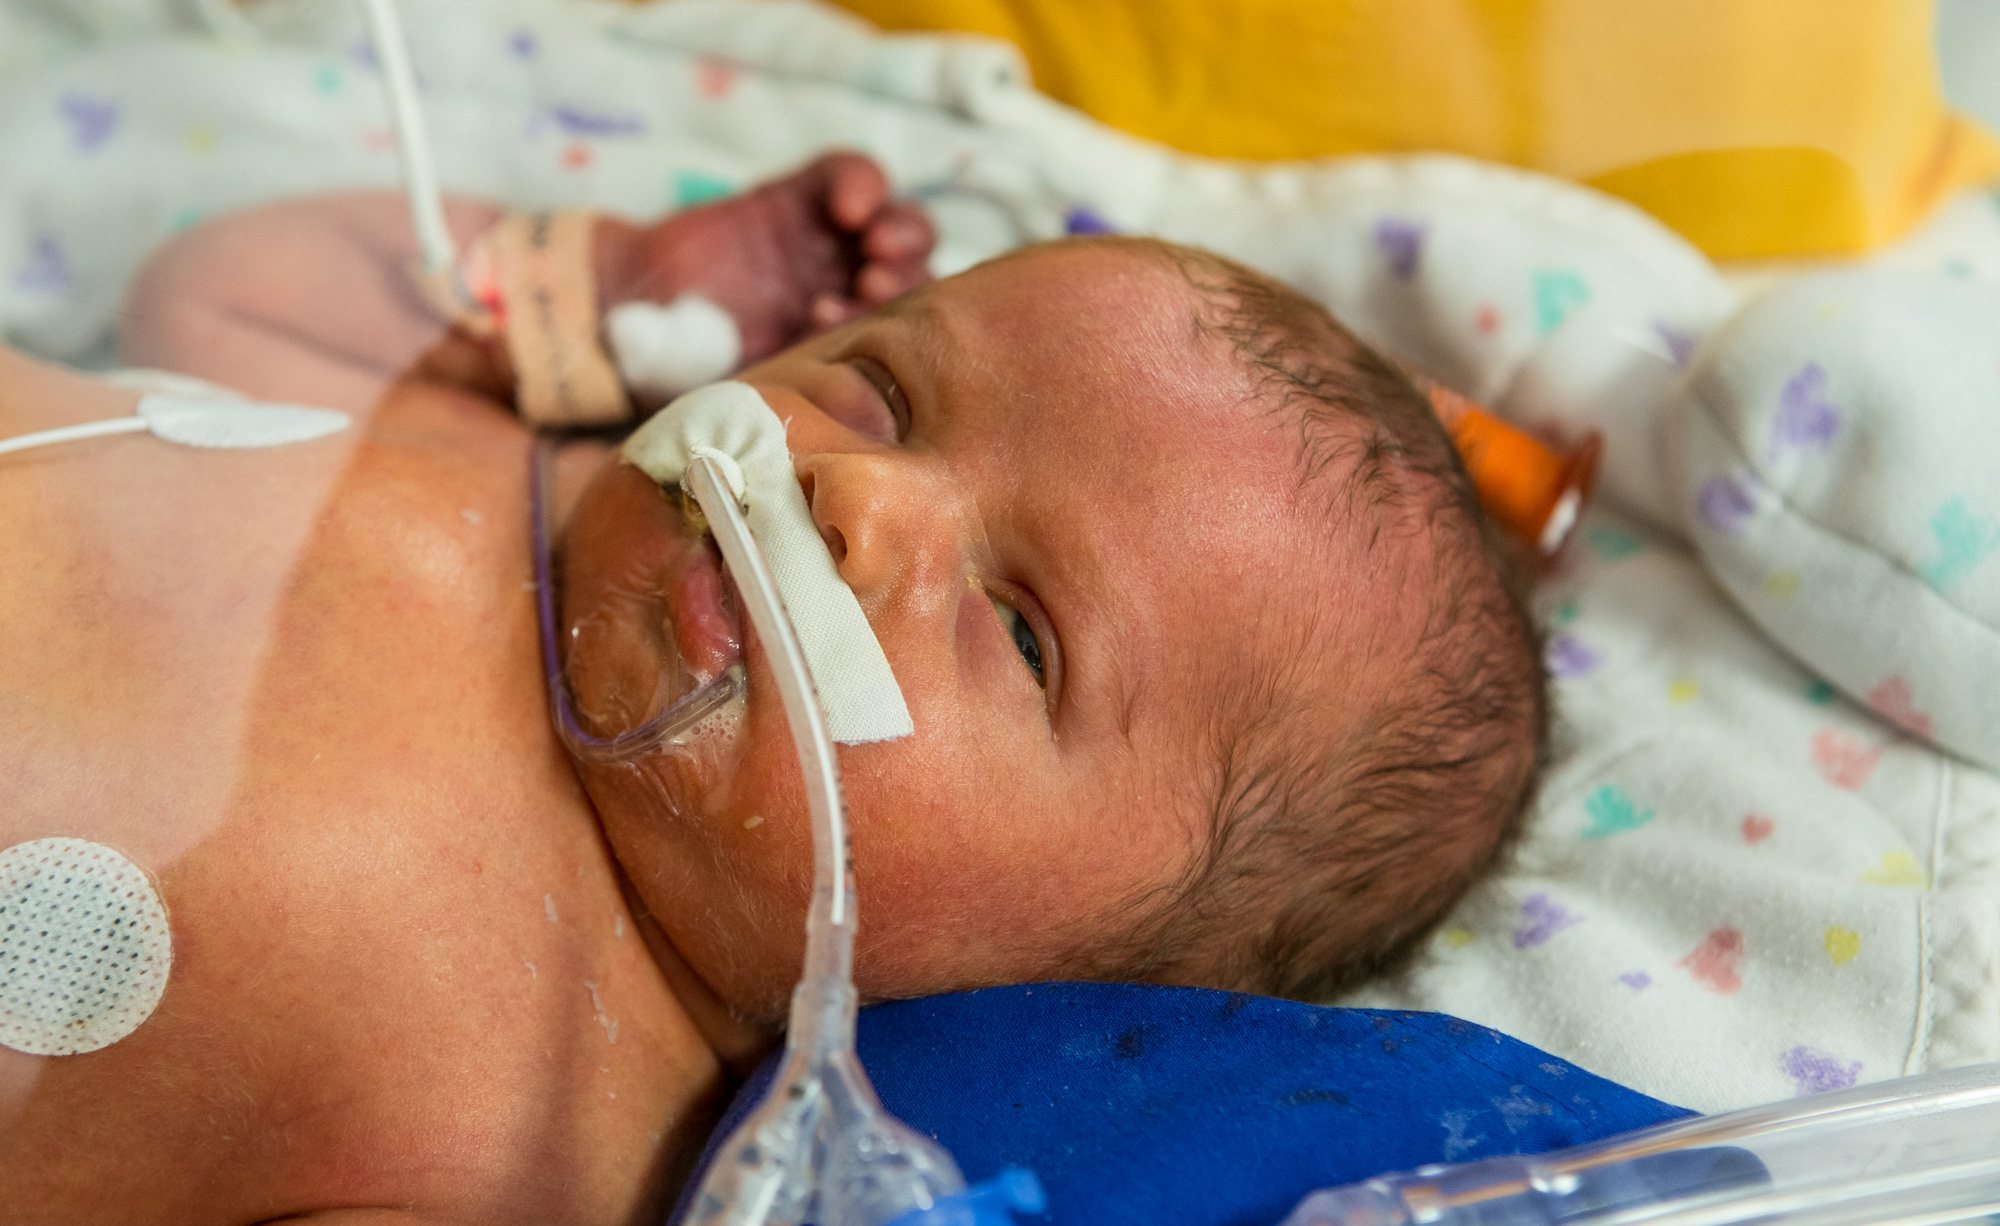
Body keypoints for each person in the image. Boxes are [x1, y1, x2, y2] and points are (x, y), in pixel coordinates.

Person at [0, 153, 1543, 1223]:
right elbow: (223, 303)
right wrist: (618, 291)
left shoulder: (554, 1133)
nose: (859, 499)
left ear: (1067, 984)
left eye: (1020, 633)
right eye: (877, 390)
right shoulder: (511, 473)